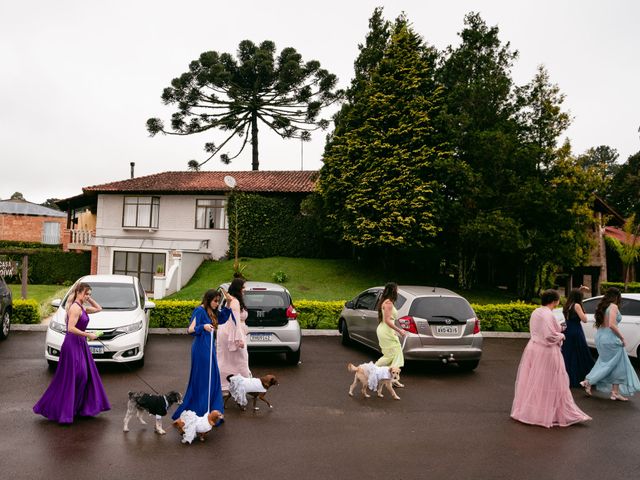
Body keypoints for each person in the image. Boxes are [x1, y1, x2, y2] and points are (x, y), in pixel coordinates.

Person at [511, 289, 591, 427]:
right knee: (553, 380)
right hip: (547, 350)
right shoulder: (548, 314)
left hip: (533, 347)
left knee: (536, 380)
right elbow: (549, 335)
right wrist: (561, 335)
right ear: (555, 301)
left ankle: (536, 410)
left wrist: (559, 328)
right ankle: (551, 413)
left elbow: (541, 330)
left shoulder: (537, 311)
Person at [33, 282, 110, 424]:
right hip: (72, 344)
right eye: (86, 293)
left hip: (81, 345)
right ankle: (63, 410)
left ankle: (77, 408)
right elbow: (70, 328)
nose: (88, 296)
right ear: (78, 292)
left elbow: (99, 308)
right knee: (76, 376)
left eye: (89, 294)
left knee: (84, 376)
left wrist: (89, 298)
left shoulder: (82, 307)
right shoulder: (75, 308)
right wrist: (89, 335)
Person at [172, 289, 225, 423]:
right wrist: (203, 326)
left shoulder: (212, 311)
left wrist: (230, 304)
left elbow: (223, 318)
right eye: (215, 301)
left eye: (218, 301)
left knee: (213, 378)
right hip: (201, 349)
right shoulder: (199, 311)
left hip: (210, 348)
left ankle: (213, 411)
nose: (217, 304)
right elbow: (190, 329)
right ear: (208, 300)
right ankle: (200, 411)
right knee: (203, 379)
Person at [580, 287, 640, 401]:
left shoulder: (603, 306)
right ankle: (588, 381)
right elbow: (612, 324)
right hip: (610, 338)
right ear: (617, 296)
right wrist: (622, 337)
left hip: (601, 336)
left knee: (612, 364)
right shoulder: (613, 306)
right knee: (610, 364)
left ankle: (615, 392)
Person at [217, 277, 251, 391]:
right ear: (238, 288)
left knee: (227, 359)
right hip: (233, 333)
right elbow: (235, 321)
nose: (244, 289)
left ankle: (227, 383)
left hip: (229, 332)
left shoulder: (232, 300)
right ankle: (244, 384)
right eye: (243, 287)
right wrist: (239, 339)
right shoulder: (234, 302)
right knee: (240, 359)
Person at [374, 282, 407, 387]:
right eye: (397, 290)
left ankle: (393, 379)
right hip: (386, 331)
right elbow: (388, 320)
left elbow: (389, 321)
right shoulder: (388, 303)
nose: (398, 292)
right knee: (391, 355)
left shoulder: (386, 302)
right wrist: (399, 330)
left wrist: (395, 331)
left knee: (394, 355)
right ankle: (373, 371)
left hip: (387, 331)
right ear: (393, 291)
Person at [561, 287, 595, 387]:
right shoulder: (577, 305)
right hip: (576, 331)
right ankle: (582, 377)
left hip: (568, 331)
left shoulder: (567, 305)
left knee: (569, 354)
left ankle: (566, 377)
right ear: (578, 297)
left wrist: (580, 289)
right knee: (581, 353)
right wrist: (583, 311)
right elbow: (584, 319)